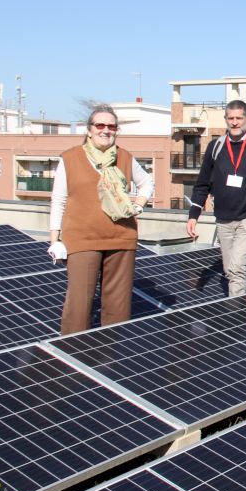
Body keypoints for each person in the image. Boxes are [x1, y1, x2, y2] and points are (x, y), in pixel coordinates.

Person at [49, 105, 153, 335]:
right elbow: (58, 200)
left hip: (121, 238)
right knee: (78, 306)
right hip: (82, 240)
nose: (106, 130)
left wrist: (138, 205)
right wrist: (54, 239)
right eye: (100, 125)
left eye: (111, 126)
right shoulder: (70, 158)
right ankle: (73, 350)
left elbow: (147, 183)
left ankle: (111, 353)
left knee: (118, 308)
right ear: (89, 130)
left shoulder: (125, 157)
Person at [187, 99, 246, 295]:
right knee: (230, 270)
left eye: (239, 118)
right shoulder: (215, 146)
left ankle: (235, 312)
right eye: (230, 118)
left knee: (237, 268)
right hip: (223, 219)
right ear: (226, 120)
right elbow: (202, 183)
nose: (235, 122)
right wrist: (193, 215)